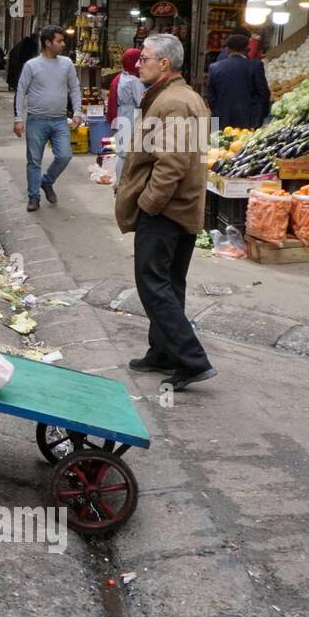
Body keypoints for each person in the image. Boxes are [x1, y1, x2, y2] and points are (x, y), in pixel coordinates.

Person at [115, 33, 216, 392]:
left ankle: (191, 359)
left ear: (165, 64)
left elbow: (171, 164)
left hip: (167, 210)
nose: (138, 63)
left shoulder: (173, 102)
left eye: (145, 58)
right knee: (169, 283)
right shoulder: (183, 97)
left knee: (153, 283)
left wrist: (149, 204)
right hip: (182, 207)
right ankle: (162, 351)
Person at [13, 25, 83, 211]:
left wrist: (77, 112)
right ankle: (33, 197)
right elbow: (21, 92)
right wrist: (18, 118)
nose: (63, 44)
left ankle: (47, 181)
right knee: (34, 160)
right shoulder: (31, 66)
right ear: (47, 43)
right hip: (36, 120)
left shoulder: (67, 63)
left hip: (60, 120)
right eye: (59, 41)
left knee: (65, 155)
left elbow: (74, 89)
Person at [206, 33, 271, 130]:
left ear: (228, 49)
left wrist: (217, 112)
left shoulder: (214, 67)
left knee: (218, 144)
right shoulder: (255, 66)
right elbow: (264, 94)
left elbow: (211, 97)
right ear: (247, 49)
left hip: (220, 121)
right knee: (243, 145)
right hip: (248, 122)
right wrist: (263, 115)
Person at [107, 47, 146, 188]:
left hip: (121, 114)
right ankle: (120, 183)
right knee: (125, 153)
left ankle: (119, 182)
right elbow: (141, 101)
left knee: (121, 151)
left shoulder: (121, 76)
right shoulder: (134, 81)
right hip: (130, 116)